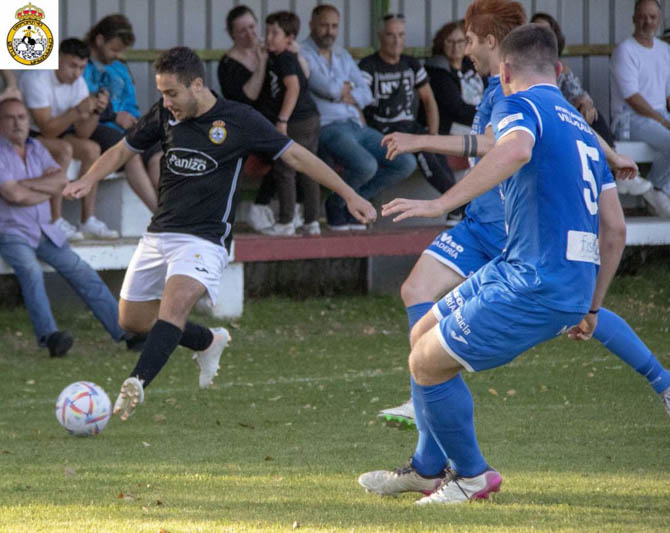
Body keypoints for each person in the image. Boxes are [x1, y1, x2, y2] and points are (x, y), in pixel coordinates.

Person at [360, 22, 627, 505]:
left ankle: (471, 476)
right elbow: (615, 229)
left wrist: (442, 203)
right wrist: (591, 305)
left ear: (504, 71)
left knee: (426, 362)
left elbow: (515, 149)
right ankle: (426, 470)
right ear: (559, 69)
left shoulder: (516, 103)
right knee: (423, 334)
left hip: (533, 283)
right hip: (528, 271)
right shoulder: (583, 130)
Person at [375, 0, 670, 431]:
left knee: (575, 311)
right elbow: (570, 123)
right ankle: (425, 387)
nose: (466, 49)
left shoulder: (510, 90)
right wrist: (609, 153)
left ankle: (661, 379)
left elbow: (495, 145)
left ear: (492, 43)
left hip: (508, 225)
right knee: (416, 289)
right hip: (479, 219)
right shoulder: (507, 87)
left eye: (471, 40)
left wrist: (421, 142)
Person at [63, 46, 376, 420]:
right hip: (160, 234)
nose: (166, 101)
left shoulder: (239, 120)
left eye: (172, 93)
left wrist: (349, 193)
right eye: (162, 93)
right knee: (131, 320)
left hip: (205, 240)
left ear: (197, 85)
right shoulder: (164, 114)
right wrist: (87, 179)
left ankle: (136, 382)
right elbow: (121, 150)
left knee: (174, 306)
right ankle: (207, 340)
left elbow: (296, 155)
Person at [0, 98, 134, 358]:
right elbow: (13, 195)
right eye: (10, 118)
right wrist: (43, 187)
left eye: (22, 117)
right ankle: (50, 337)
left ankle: (125, 332)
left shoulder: (37, 148)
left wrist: (27, 185)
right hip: (12, 232)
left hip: (45, 230)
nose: (17, 123)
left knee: (82, 271)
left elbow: (60, 181)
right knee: (31, 271)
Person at [302, 4, 416, 230]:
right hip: (328, 127)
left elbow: (366, 93)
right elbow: (326, 88)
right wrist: (344, 89)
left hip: (355, 124)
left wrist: (345, 91)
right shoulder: (302, 53)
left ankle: (350, 203)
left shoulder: (342, 54)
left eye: (334, 26)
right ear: (312, 25)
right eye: (324, 25)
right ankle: (338, 205)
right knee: (366, 166)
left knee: (405, 162)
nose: (329, 31)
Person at [531, 12, 652, 197]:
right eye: (536, 30)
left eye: (546, 31)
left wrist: (585, 103)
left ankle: (616, 169)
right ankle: (614, 167)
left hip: (566, 119)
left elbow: (577, 92)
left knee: (593, 114)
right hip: (545, 120)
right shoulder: (525, 65)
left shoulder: (560, 67)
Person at [19, 38, 119, 240]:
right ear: (57, 59)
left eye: (81, 67)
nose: (77, 73)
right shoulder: (36, 79)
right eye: (72, 66)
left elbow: (83, 133)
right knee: (64, 149)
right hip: (25, 135)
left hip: (57, 132)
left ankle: (87, 219)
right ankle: (55, 220)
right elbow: (46, 130)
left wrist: (96, 111)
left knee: (92, 149)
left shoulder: (78, 83)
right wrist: (76, 112)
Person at [358, 14, 457, 205]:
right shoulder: (368, 66)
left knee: (436, 149)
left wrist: (433, 135)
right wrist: (365, 135)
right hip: (382, 132)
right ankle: (455, 203)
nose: (396, 41)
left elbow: (429, 100)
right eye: (390, 35)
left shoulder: (411, 63)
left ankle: (456, 205)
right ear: (381, 37)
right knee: (424, 152)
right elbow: (356, 104)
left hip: (410, 128)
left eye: (401, 35)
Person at [254, 11, 321, 236]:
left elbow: (294, 88)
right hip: (309, 118)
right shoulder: (279, 57)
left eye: (275, 33)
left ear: (290, 38)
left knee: (285, 167)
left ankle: (286, 221)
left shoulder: (285, 58)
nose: (269, 37)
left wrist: (282, 120)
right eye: (267, 32)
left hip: (297, 121)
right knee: (308, 168)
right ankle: (312, 221)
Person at [83, 14, 159, 211]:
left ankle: (171, 212)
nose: (117, 55)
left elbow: (130, 102)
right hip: (94, 126)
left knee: (158, 149)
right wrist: (113, 116)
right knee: (128, 150)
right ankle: (160, 216)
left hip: (123, 127)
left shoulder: (120, 68)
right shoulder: (81, 65)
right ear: (100, 40)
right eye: (114, 49)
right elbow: (79, 102)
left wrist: (134, 119)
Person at [610, 0, 670, 216]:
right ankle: (658, 191)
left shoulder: (664, 50)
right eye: (643, 16)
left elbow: (667, 95)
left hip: (658, 115)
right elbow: (632, 98)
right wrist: (663, 121)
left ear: (659, 20)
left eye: (652, 17)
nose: (648, 22)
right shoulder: (625, 51)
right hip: (629, 118)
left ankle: (655, 189)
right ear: (634, 19)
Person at [424, 20, 484, 135]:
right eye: (450, 41)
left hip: (477, 119)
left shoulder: (471, 64)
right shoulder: (437, 70)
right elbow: (457, 109)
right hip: (452, 126)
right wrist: (487, 112)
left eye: (460, 41)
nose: (455, 47)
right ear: (441, 43)